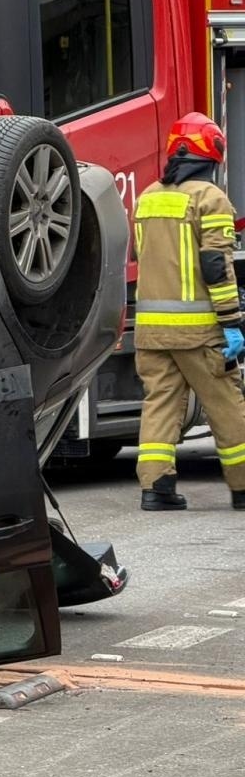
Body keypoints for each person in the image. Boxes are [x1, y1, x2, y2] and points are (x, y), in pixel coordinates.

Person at [133, 112, 245, 510]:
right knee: (226, 402)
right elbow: (217, 264)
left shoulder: (146, 197)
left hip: (150, 330)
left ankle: (156, 489)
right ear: (211, 155)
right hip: (199, 331)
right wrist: (232, 321)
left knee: (160, 402)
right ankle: (242, 486)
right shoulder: (211, 198)